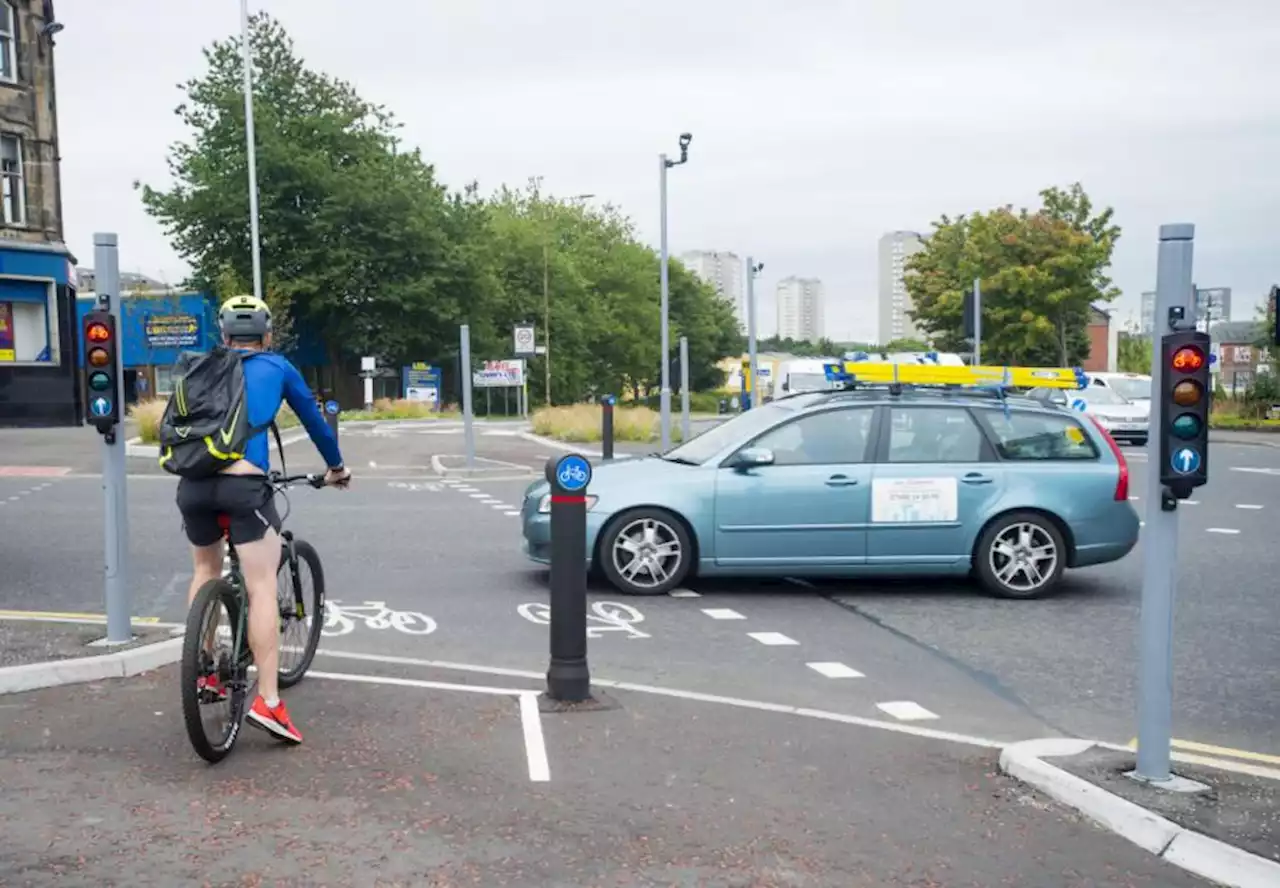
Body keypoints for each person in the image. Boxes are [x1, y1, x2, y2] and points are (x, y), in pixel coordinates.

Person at [175, 295, 351, 745]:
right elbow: (313, 419)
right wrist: (337, 467)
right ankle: (268, 702)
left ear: (224, 335)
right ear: (267, 335)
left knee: (205, 569)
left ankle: (207, 669)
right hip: (244, 488)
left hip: (193, 484)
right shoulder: (277, 367)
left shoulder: (200, 366)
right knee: (261, 587)